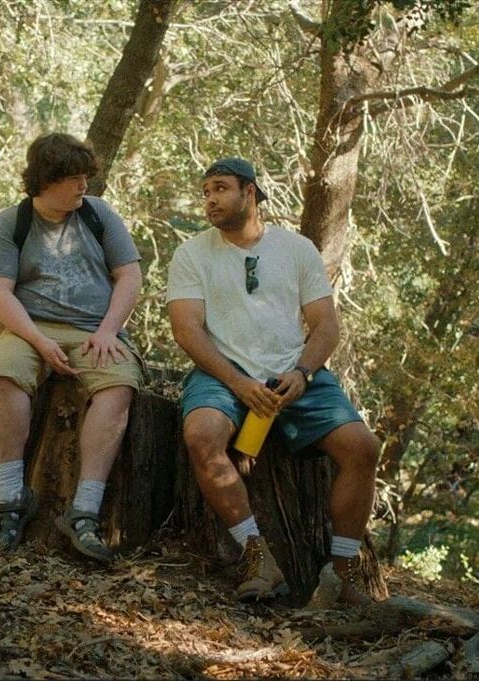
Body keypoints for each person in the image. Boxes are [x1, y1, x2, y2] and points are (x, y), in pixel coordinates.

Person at [166, 157, 388, 604]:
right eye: (206, 190)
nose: (210, 199)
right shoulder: (191, 254)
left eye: (221, 188)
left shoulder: (296, 248)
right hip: (223, 371)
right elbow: (186, 329)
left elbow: (326, 324)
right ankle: (257, 556)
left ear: (250, 193)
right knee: (201, 435)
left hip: (293, 372)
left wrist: (303, 372)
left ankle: (340, 575)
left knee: (363, 448)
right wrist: (235, 382)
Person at [0, 133, 143, 565]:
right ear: (44, 181)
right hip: (30, 327)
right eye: (72, 178)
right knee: (6, 374)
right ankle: (11, 500)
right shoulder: (11, 223)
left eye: (85, 177)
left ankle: (85, 512)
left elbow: (129, 276)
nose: (82, 186)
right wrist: (37, 340)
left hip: (95, 329)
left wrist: (111, 329)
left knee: (118, 386)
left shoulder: (98, 215)